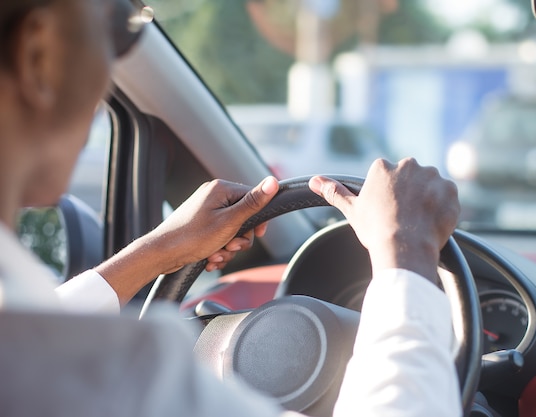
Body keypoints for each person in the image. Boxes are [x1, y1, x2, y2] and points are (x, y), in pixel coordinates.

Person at [0, 0, 462, 416]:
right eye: (120, 25)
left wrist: (159, 251)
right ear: (40, 55)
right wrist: (406, 252)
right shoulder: (128, 382)